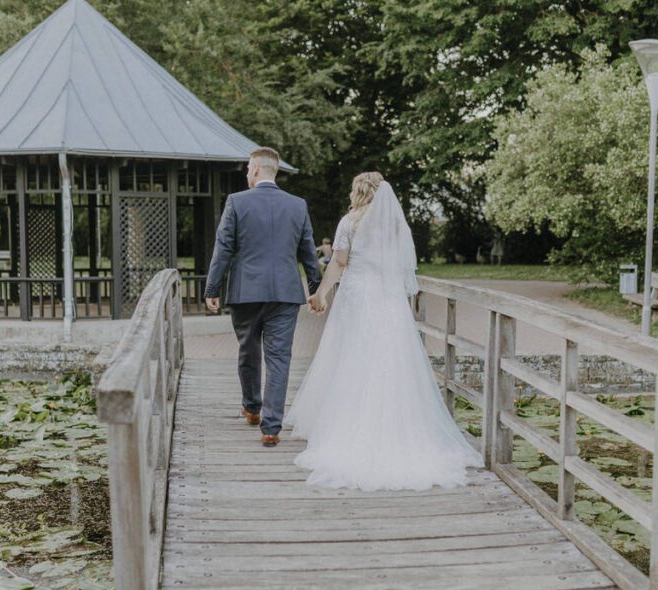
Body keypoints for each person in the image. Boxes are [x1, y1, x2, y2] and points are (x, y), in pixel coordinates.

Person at [285, 172, 480, 490]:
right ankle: (399, 428)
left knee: (353, 357)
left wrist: (321, 293)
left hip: (358, 297)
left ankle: (350, 429)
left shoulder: (349, 222)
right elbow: (404, 269)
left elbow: (338, 262)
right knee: (391, 359)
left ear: (358, 192)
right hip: (388, 301)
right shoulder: (394, 227)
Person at [204, 147, 322, 447]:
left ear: (256, 169)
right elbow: (308, 251)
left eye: (247, 168)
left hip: (246, 291)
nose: (246, 173)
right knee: (279, 357)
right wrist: (315, 288)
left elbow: (223, 249)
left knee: (248, 349)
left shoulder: (236, 202)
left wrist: (212, 289)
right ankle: (271, 427)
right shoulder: (297, 205)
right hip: (285, 292)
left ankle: (252, 407)